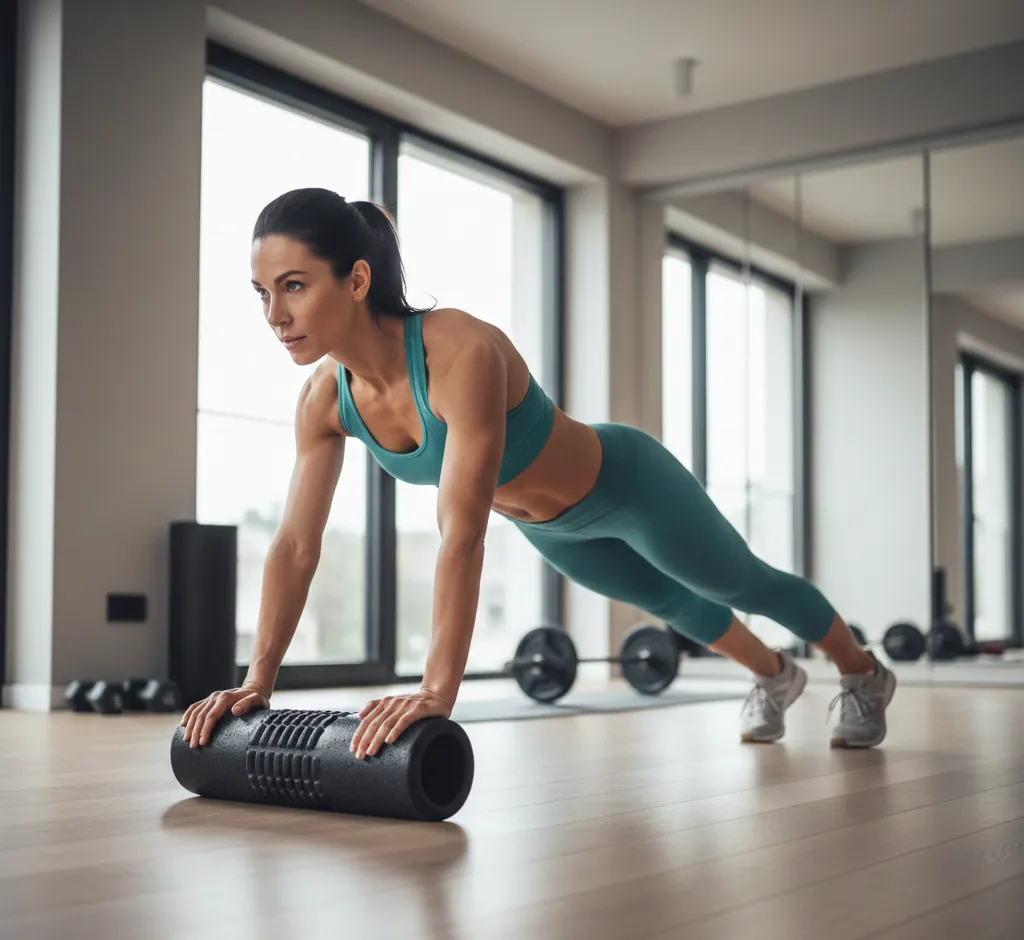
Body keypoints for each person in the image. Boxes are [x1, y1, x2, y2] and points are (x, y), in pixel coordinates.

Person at [180, 187, 897, 759]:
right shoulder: (323, 402)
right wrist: (257, 681)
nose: (275, 314)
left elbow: (460, 537)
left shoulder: (460, 352)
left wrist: (437, 690)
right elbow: (295, 547)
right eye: (262, 292)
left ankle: (863, 671)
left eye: (295, 286)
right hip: (551, 528)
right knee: (677, 608)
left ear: (357, 279)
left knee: (738, 582)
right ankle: (776, 676)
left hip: (626, 485)